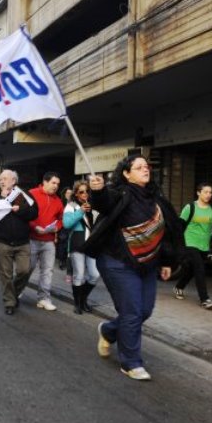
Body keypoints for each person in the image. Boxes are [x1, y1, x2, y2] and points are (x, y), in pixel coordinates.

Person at [84, 155, 184, 381]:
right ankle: (131, 362)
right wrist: (98, 191)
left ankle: (109, 330)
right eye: (138, 167)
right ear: (126, 174)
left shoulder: (157, 199)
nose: (145, 169)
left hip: (147, 265)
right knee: (132, 312)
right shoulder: (119, 194)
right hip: (117, 261)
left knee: (144, 311)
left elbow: (168, 233)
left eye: (146, 166)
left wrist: (167, 261)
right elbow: (104, 202)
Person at [173, 182, 212, 309]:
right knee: (200, 268)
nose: (208, 195)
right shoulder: (190, 207)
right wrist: (178, 244)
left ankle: (179, 287)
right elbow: (180, 226)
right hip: (190, 242)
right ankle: (205, 299)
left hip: (204, 244)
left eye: (210, 192)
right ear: (198, 193)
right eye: (205, 192)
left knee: (192, 270)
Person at [0, 170, 38, 315]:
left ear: (13, 181)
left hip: (22, 242)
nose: (2, 181)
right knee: (6, 275)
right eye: (0, 179)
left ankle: (13, 293)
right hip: (2, 242)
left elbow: (34, 213)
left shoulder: (24, 195)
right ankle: (9, 303)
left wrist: (20, 210)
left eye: (5, 178)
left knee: (25, 270)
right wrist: (2, 199)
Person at [27, 172, 64, 311]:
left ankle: (44, 298)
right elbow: (24, 214)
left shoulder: (58, 200)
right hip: (31, 238)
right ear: (45, 182)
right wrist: (34, 226)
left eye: (58, 184)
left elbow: (61, 219)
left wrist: (56, 227)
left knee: (47, 271)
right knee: (27, 268)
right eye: (53, 183)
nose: (56, 186)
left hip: (49, 241)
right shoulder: (32, 194)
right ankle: (16, 291)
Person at [63, 180, 100, 314]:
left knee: (95, 275)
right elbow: (66, 224)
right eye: (81, 192)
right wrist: (80, 211)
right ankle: (78, 304)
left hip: (91, 245)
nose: (85, 194)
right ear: (76, 194)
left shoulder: (93, 206)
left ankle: (83, 299)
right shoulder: (71, 206)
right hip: (77, 244)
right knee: (79, 275)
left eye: (87, 191)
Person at [57, 186, 74, 271]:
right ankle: (61, 261)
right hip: (63, 226)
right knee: (62, 244)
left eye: (70, 193)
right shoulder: (60, 203)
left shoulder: (73, 203)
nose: (69, 195)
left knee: (69, 244)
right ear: (64, 194)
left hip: (72, 226)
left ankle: (68, 261)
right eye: (67, 193)